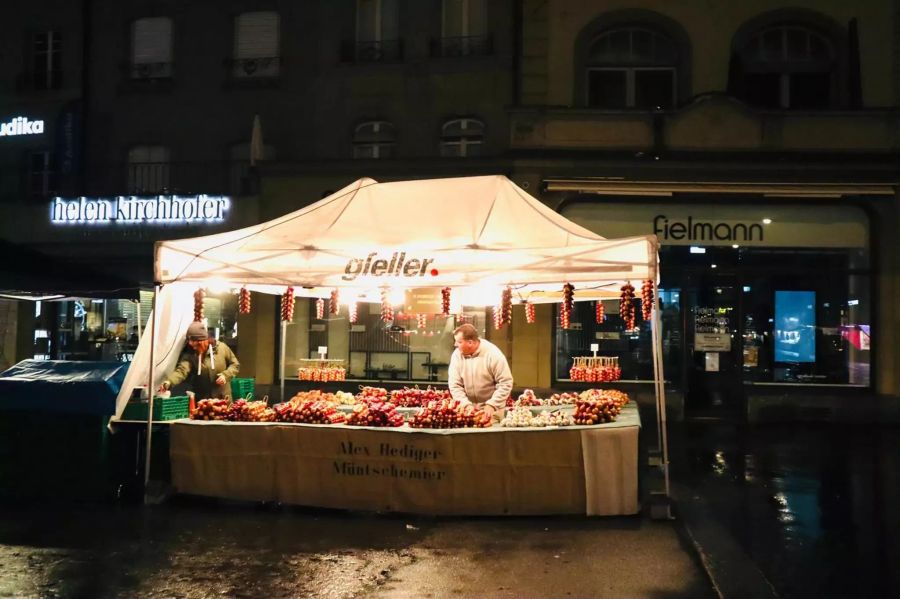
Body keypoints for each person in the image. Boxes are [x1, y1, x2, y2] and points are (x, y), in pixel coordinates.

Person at [447, 323, 513, 423]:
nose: (455, 345)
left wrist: (492, 404)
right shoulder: (457, 355)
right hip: (467, 410)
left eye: (459, 342)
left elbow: (506, 383)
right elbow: (455, 385)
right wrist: (465, 404)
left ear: (470, 342)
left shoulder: (493, 354)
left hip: (492, 411)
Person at [161, 321, 240, 399]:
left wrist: (225, 375)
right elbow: (182, 370)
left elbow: (235, 365)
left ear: (204, 340)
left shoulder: (222, 348)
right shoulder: (190, 354)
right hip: (203, 400)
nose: (193, 346)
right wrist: (169, 382)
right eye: (190, 343)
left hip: (223, 399)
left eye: (196, 344)